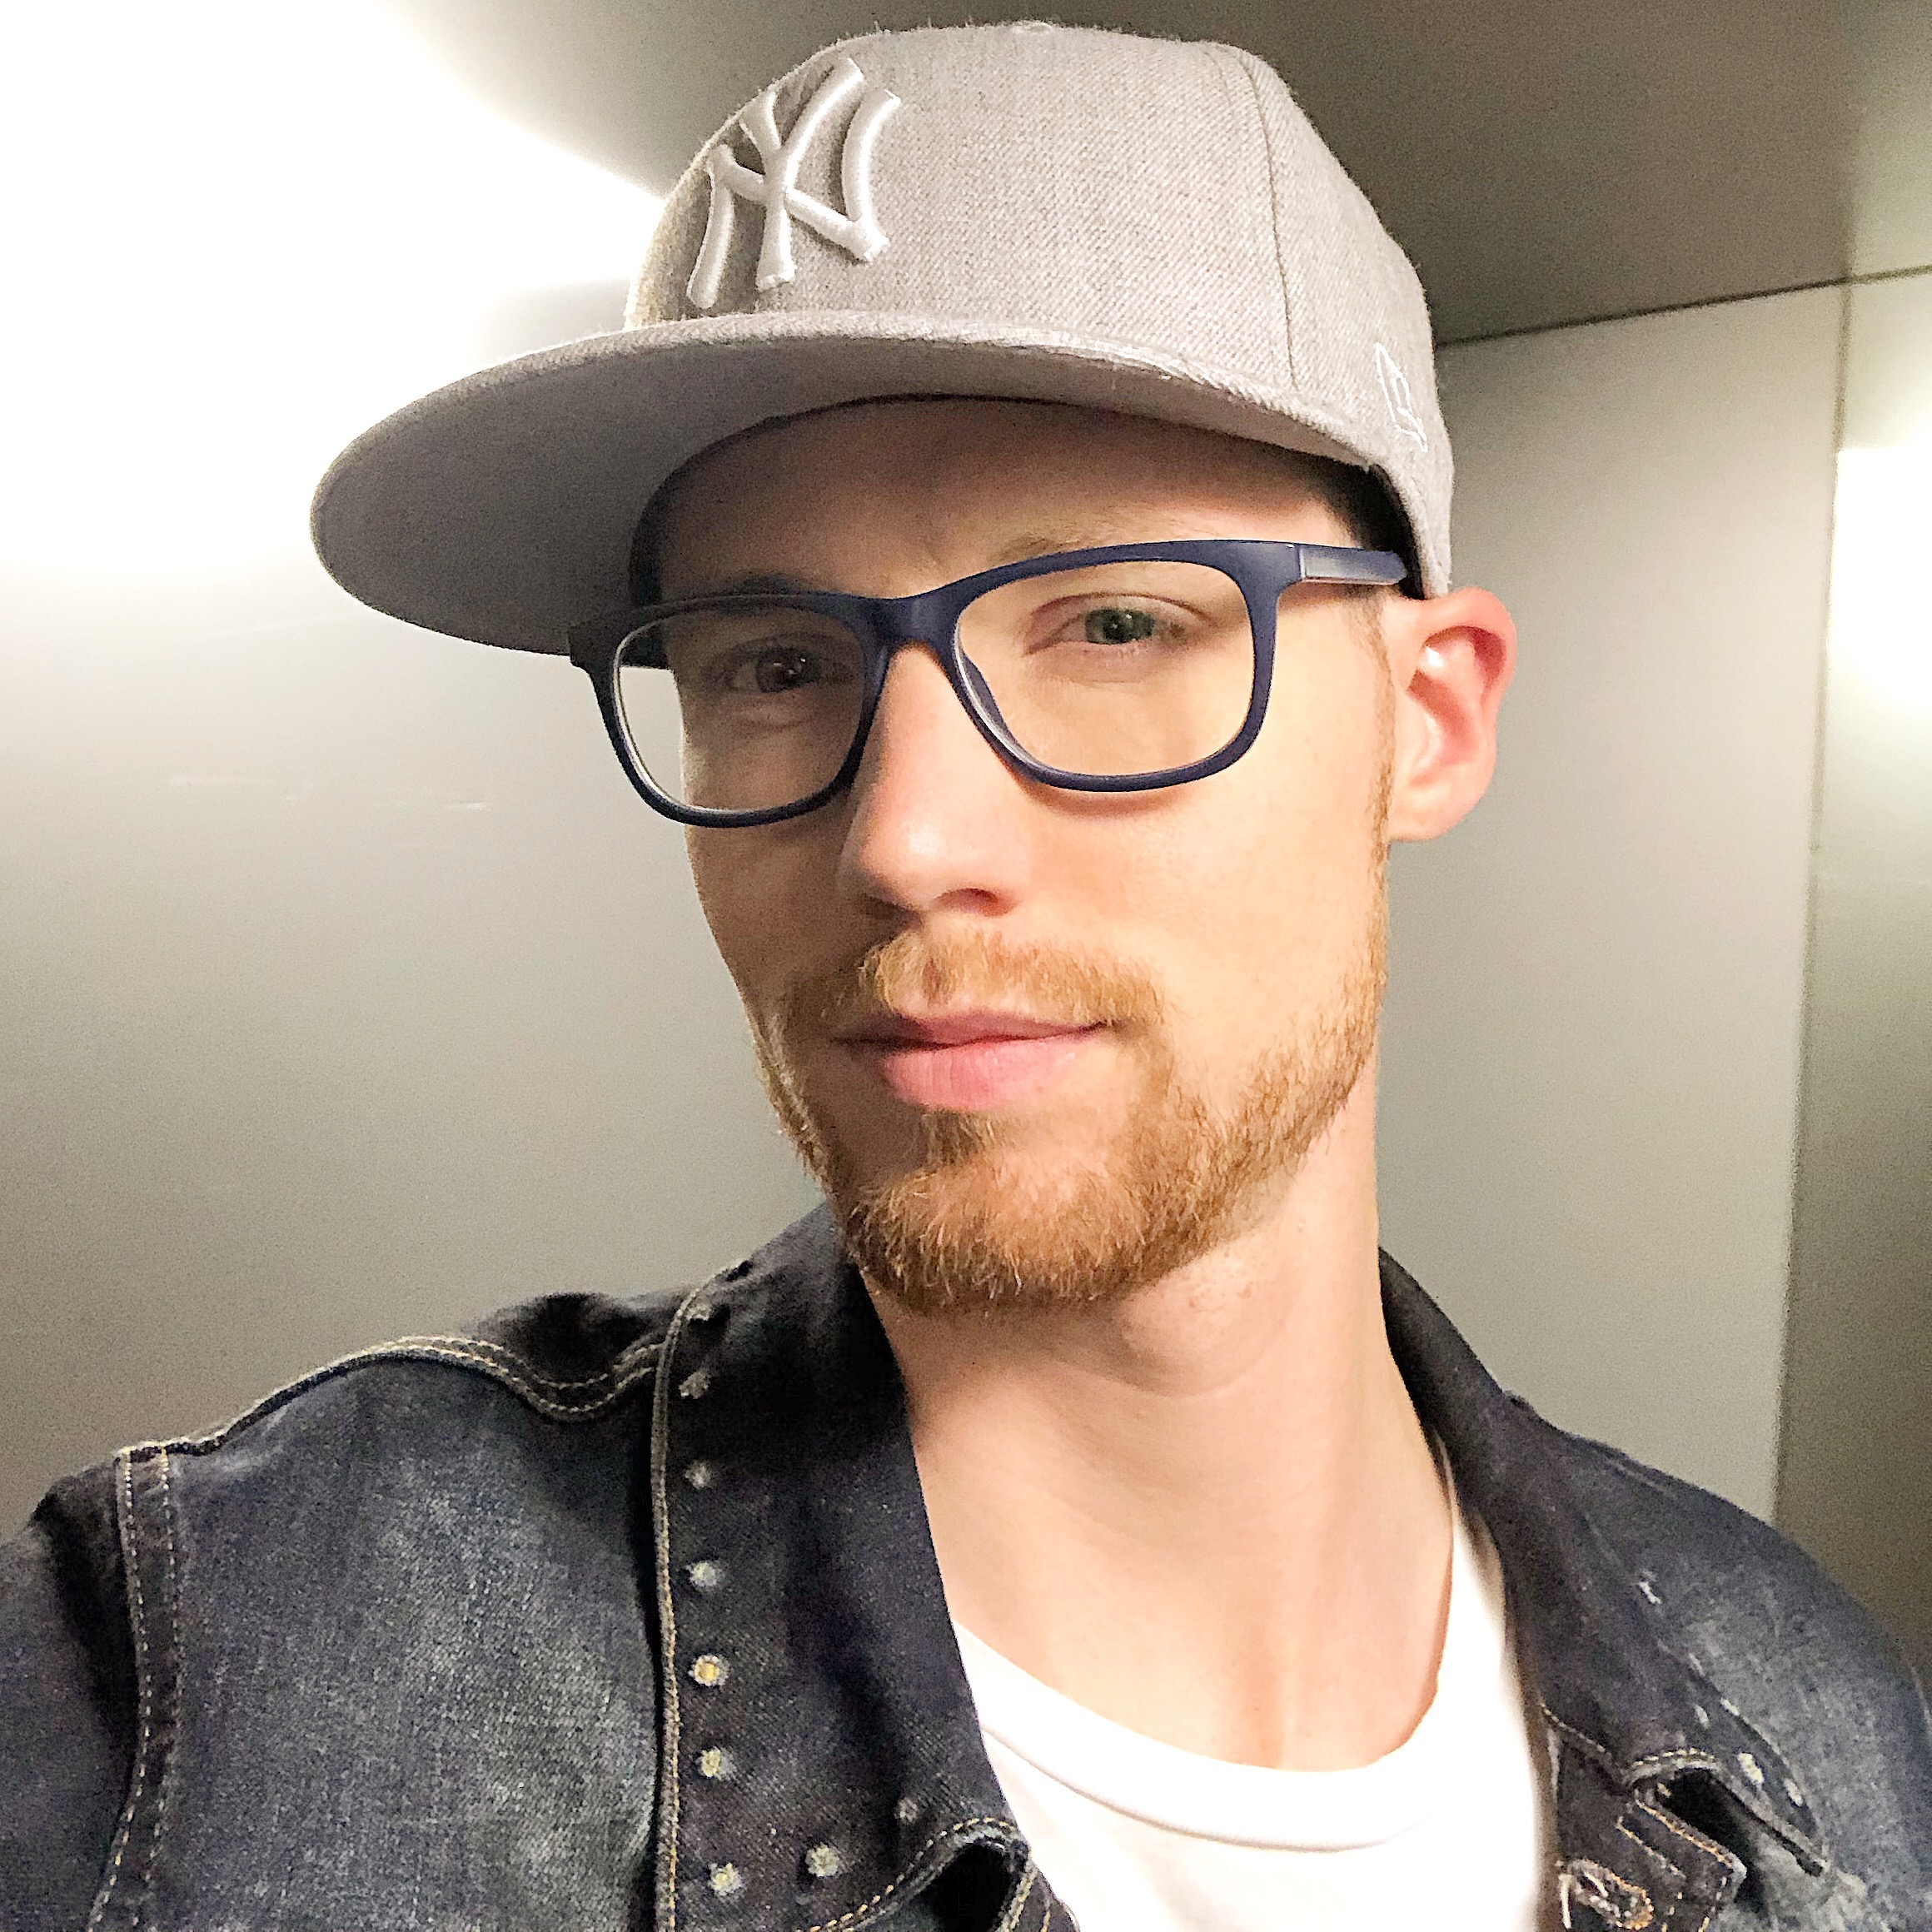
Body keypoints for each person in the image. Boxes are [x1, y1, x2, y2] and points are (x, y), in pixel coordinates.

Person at [3, 22, 1927, 1932]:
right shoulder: (214, 1669)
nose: (905, 838)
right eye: (771, 661)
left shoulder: (1815, 1726)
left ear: (1424, 719)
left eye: (1111, 622)